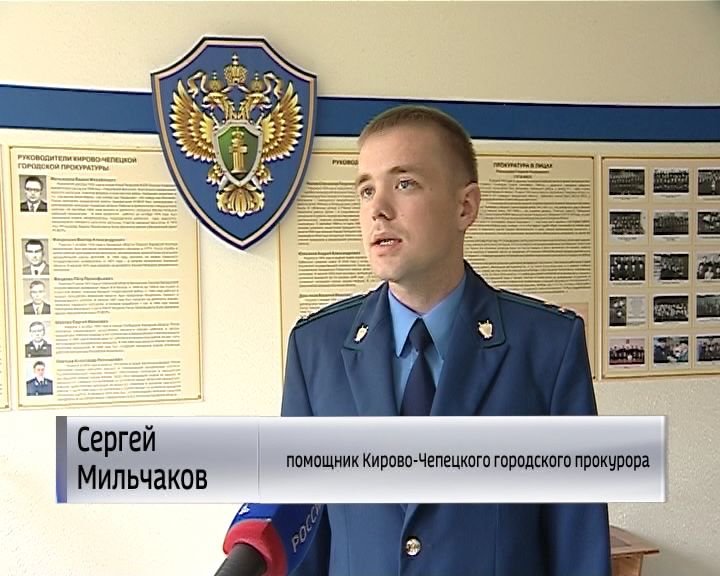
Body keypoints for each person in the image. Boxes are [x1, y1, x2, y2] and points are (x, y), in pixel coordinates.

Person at [282, 106, 611, 576]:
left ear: (465, 207)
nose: (378, 209)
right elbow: (301, 542)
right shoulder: (315, 351)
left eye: (405, 183)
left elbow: (578, 546)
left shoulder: (548, 348)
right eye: (367, 190)